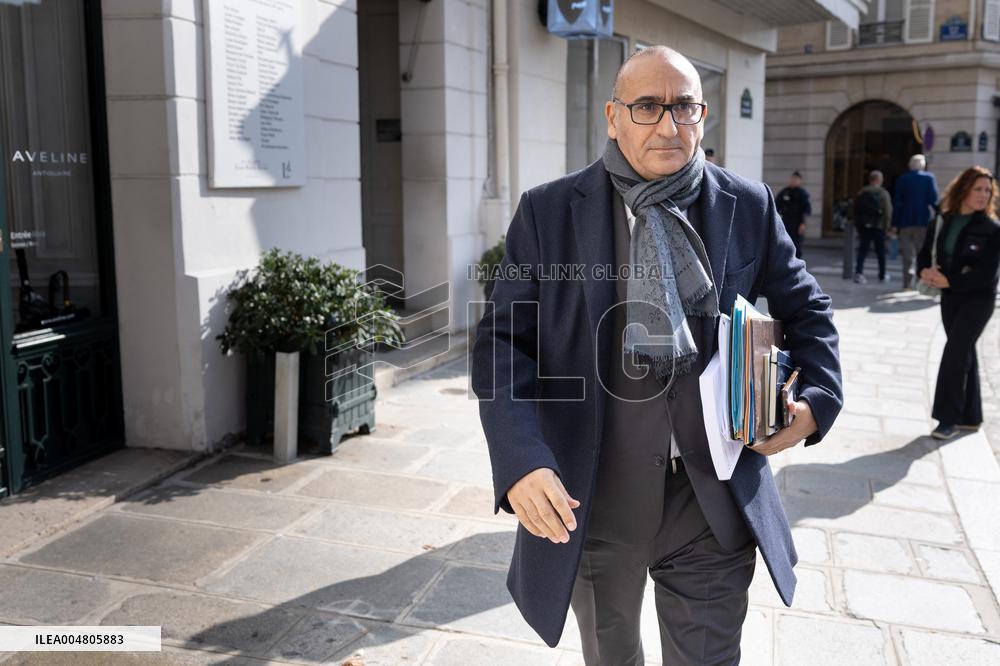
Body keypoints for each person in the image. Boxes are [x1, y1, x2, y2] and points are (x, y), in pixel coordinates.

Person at [471, 45, 843, 665]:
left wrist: (813, 402)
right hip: (591, 495)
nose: (670, 125)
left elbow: (809, 311)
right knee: (611, 657)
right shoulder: (549, 211)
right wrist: (520, 459)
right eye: (648, 107)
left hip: (712, 497)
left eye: (685, 108)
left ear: (702, 117)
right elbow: (503, 343)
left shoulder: (747, 205)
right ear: (613, 116)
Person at [917, 165, 1000, 440]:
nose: (983, 195)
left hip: (978, 300)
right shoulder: (944, 219)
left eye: (987, 190)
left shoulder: (992, 228)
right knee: (964, 352)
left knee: (955, 352)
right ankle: (971, 417)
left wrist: (950, 281)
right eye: (978, 188)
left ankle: (947, 420)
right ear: (963, 188)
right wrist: (924, 272)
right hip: (950, 299)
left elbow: (987, 275)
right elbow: (925, 252)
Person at [893, 154, 939, 289]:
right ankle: (921, 282)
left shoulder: (903, 179)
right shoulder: (929, 178)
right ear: (923, 165)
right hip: (922, 221)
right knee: (922, 254)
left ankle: (907, 284)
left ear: (910, 165)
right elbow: (933, 200)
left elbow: (898, 203)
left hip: (904, 221)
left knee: (907, 255)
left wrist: (894, 223)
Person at [852, 170, 893, 284]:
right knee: (881, 252)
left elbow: (856, 211)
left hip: (865, 227)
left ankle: (859, 273)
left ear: (870, 180)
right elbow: (888, 212)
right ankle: (882, 274)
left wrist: (859, 226)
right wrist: (887, 227)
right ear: (880, 180)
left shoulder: (862, 193)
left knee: (862, 251)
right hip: (878, 226)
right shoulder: (883, 193)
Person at [775, 171, 812, 259]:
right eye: (792, 179)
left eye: (796, 179)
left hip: (797, 224)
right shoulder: (784, 192)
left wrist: (803, 224)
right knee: (784, 244)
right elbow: (776, 206)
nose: (793, 181)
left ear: (799, 181)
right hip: (786, 222)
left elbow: (807, 210)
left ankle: (796, 264)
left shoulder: (802, 194)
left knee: (796, 246)